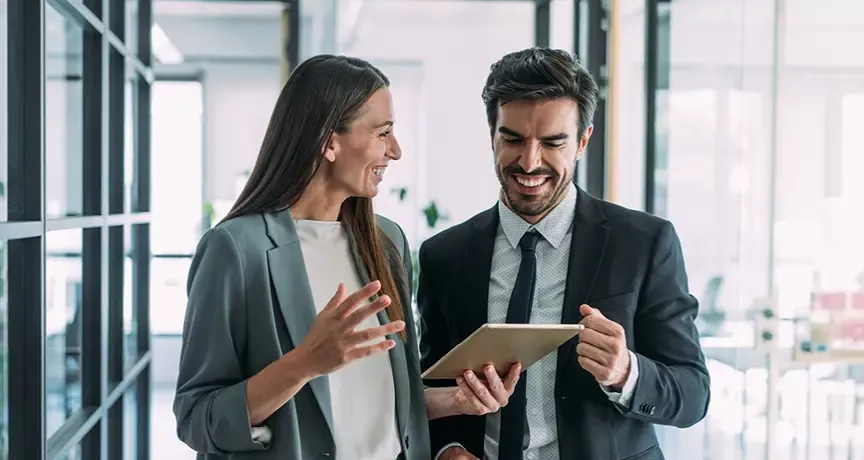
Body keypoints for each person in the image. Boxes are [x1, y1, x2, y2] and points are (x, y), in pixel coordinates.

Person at [173, 54, 521, 460]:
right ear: (330, 141)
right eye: (383, 133)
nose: (396, 150)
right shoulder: (234, 249)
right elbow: (197, 418)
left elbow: (378, 404)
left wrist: (459, 401)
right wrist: (303, 364)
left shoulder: (385, 241)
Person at [417, 48, 711, 460]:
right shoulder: (443, 256)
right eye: (513, 139)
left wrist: (626, 371)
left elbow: (693, 394)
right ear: (492, 136)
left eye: (553, 142)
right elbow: (428, 389)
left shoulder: (644, 243)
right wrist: (446, 449)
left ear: (582, 141)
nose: (530, 161)